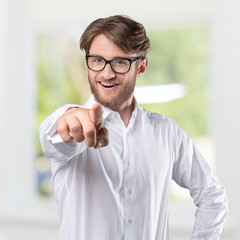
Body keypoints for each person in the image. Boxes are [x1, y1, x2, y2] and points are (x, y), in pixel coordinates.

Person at [38, 15, 227, 240]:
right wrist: (70, 122)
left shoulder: (167, 133)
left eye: (119, 62)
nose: (106, 73)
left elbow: (212, 196)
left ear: (141, 66)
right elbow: (57, 141)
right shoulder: (70, 122)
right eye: (97, 60)